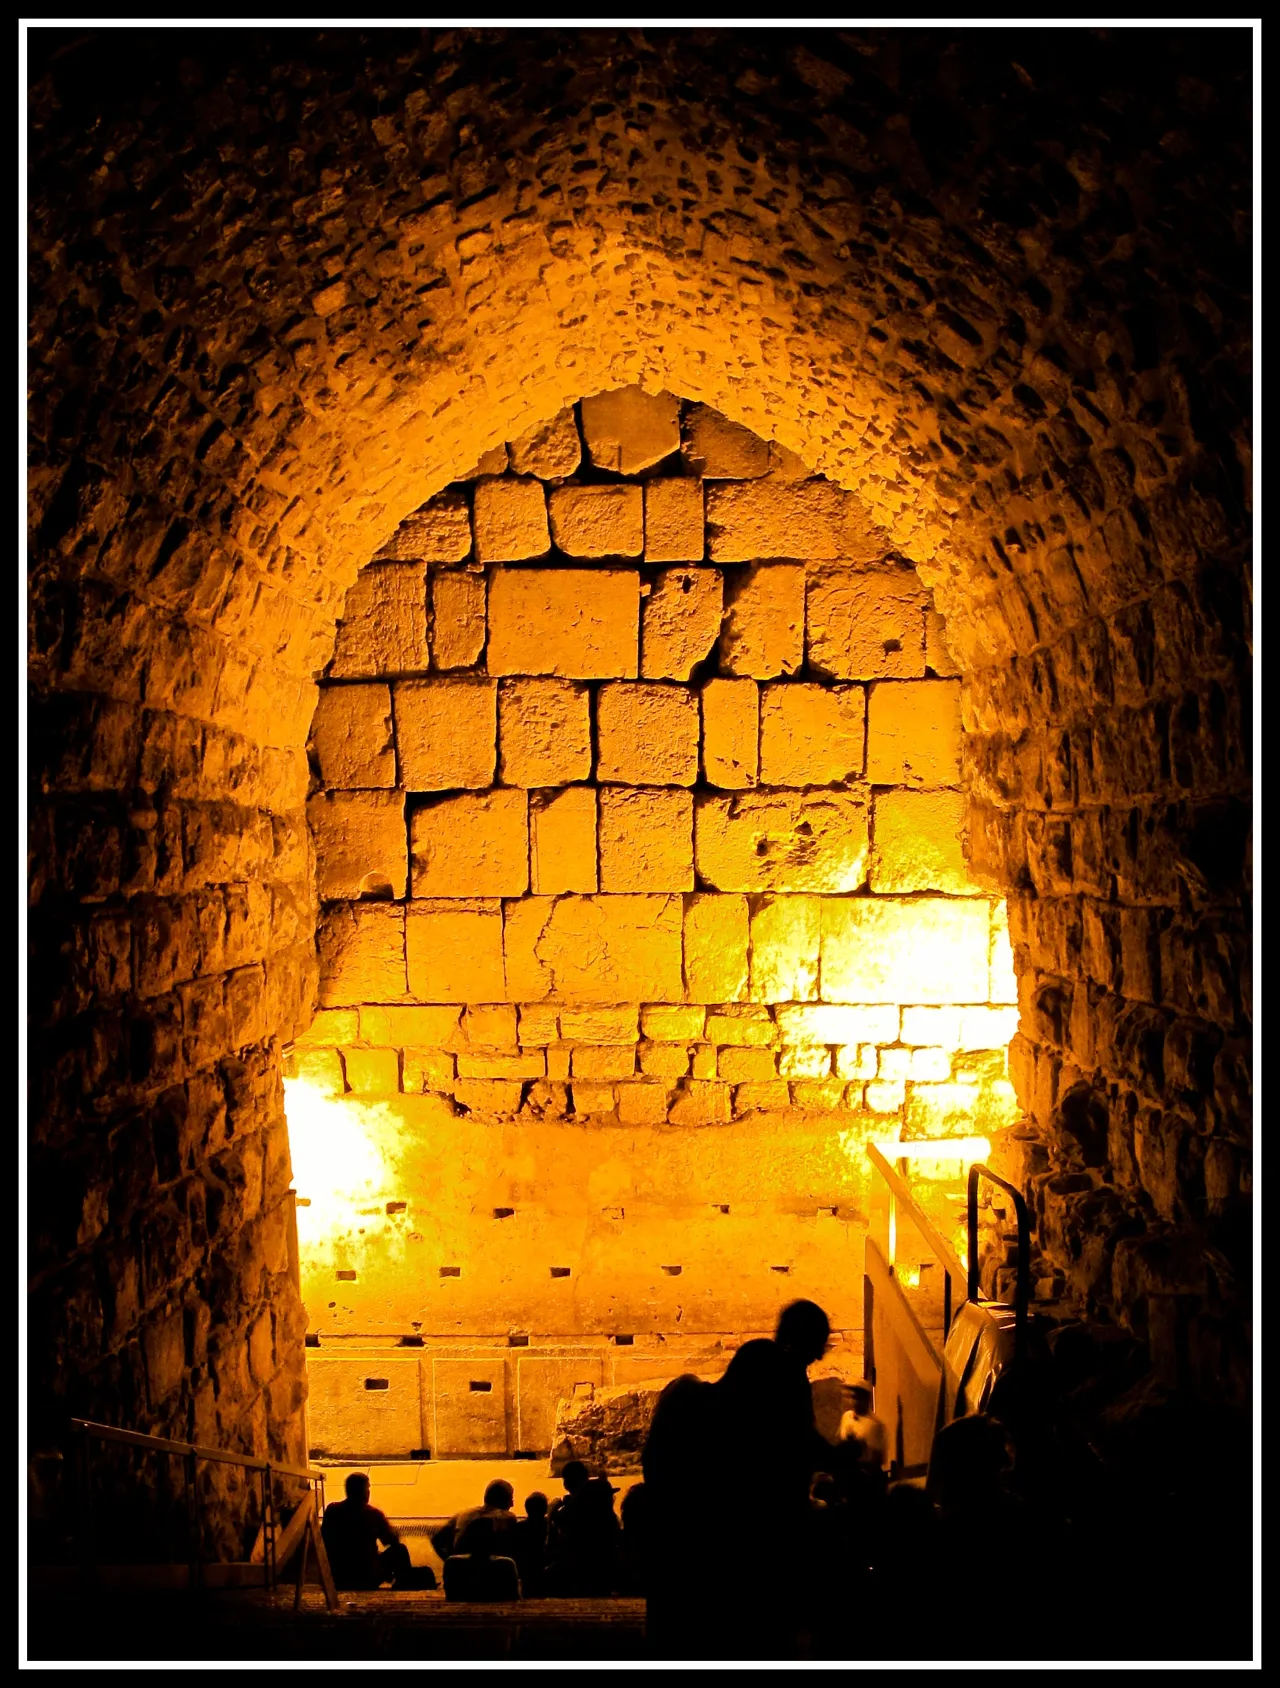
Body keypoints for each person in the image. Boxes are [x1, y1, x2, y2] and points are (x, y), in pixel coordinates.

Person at [320, 1472, 414, 1591]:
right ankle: (405, 1583)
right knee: (400, 1550)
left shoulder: (332, 1510)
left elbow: (324, 1539)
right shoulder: (373, 1514)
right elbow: (392, 1540)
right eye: (368, 1488)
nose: (369, 1492)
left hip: (339, 1577)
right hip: (367, 1577)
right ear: (363, 1491)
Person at [546, 1470, 621, 1595]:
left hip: (576, 1579)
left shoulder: (576, 1520)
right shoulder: (610, 1522)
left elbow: (552, 1547)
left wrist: (552, 1512)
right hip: (602, 1580)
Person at [431, 1477, 520, 1562]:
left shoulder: (463, 1514)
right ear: (502, 1500)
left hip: (461, 1572)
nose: (512, 1504)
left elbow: (436, 1540)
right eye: (510, 1499)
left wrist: (451, 1561)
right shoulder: (508, 1517)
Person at [441, 1516, 521, 1602]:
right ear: (494, 1539)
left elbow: (451, 1595)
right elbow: (514, 1598)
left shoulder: (453, 1563)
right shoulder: (506, 1565)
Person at [839, 1381, 889, 1472]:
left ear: (866, 1399)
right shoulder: (846, 1417)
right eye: (853, 1397)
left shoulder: (874, 1424)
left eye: (858, 1398)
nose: (854, 1401)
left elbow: (878, 1458)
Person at [513, 1491, 549, 1597]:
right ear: (545, 1509)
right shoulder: (549, 1527)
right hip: (542, 1567)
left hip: (526, 1569)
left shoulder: (519, 1527)